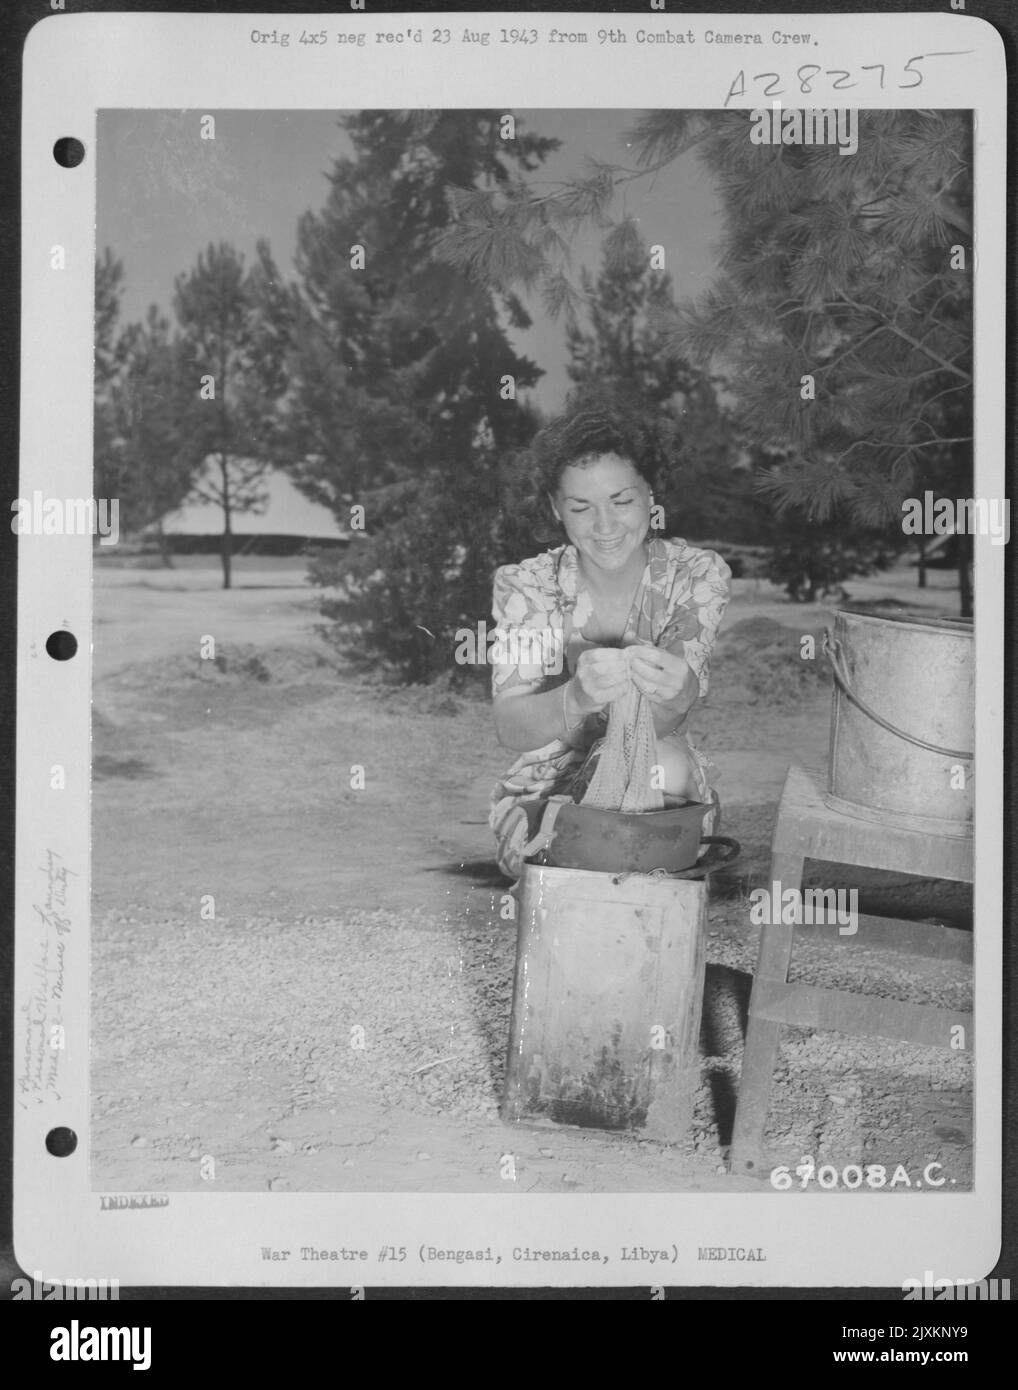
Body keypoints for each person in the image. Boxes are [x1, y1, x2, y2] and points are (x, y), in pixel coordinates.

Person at [488, 400, 732, 879]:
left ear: (649, 494)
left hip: (654, 769)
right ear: (557, 507)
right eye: (581, 507)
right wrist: (574, 698)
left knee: (663, 768)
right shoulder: (527, 586)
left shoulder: (696, 575)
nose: (605, 527)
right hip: (545, 790)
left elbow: (665, 720)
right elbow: (512, 727)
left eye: (622, 501)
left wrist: (681, 691)